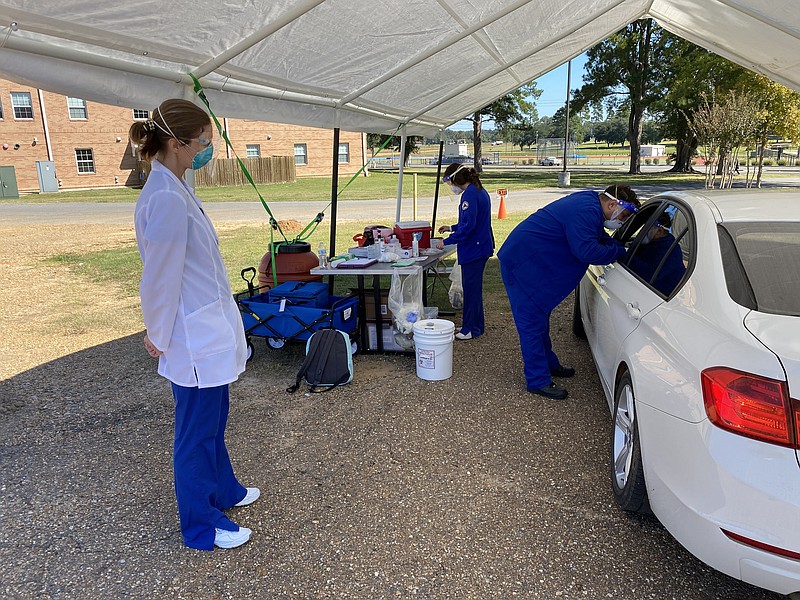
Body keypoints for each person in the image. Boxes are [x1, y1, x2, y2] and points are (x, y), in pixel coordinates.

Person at [129, 99, 258, 551]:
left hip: (208, 331)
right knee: (196, 434)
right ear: (177, 143)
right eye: (204, 141)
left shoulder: (176, 187)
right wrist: (158, 335)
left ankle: (226, 491)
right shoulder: (164, 196)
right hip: (190, 338)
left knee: (213, 422)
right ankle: (202, 525)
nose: (208, 149)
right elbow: (160, 277)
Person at [497, 185, 640, 399]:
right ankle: (537, 380)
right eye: (624, 216)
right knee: (531, 323)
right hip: (521, 264)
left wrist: (618, 246)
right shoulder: (586, 210)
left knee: (539, 318)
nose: (621, 221)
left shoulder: (592, 205)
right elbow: (587, 250)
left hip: (530, 262)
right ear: (612, 204)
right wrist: (620, 252)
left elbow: (599, 237)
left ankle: (548, 364)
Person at [435, 163, 495, 340]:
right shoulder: (478, 190)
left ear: (456, 179)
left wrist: (446, 241)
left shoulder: (470, 195)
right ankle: (475, 326)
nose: (451, 187)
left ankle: (470, 329)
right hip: (479, 247)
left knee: (471, 291)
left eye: (450, 182)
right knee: (473, 290)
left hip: (474, 249)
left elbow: (468, 227)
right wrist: (451, 227)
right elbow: (470, 221)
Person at [627, 212, 686, 296]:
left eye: (648, 228)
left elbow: (649, 274)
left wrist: (625, 254)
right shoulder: (657, 243)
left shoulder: (668, 250)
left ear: (659, 231)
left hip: (660, 295)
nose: (644, 231)